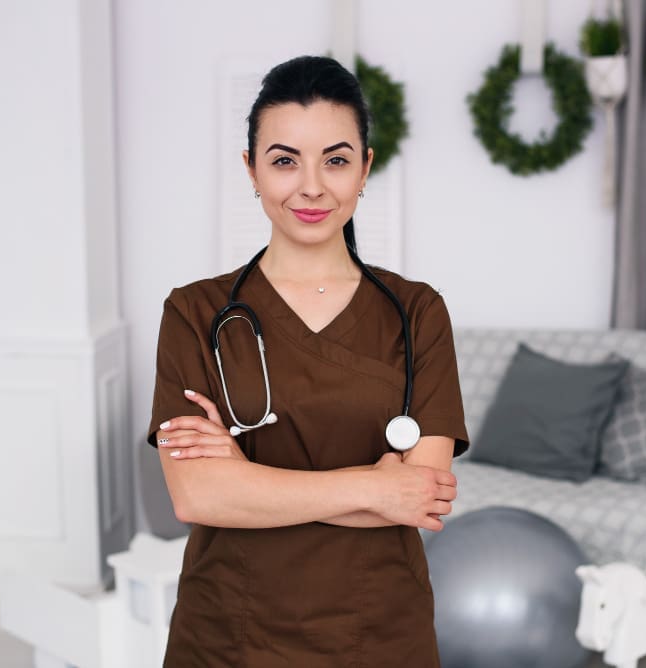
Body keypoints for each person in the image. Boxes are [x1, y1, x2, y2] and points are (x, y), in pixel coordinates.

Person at [146, 54, 469, 667]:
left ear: (366, 167)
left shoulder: (418, 312)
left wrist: (248, 482)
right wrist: (373, 488)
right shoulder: (194, 313)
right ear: (251, 169)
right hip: (230, 631)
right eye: (285, 160)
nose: (312, 186)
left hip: (378, 631)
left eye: (337, 160)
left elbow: (420, 495)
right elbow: (198, 497)